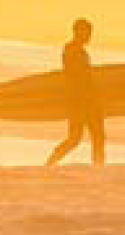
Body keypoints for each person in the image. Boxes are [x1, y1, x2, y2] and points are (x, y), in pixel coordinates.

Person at [44, 18, 106, 166]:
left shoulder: (80, 51)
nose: (89, 36)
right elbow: (78, 76)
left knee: (96, 137)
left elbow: (85, 76)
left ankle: (98, 167)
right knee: (76, 138)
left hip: (87, 101)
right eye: (86, 32)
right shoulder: (71, 50)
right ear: (77, 32)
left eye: (90, 33)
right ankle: (51, 162)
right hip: (80, 101)